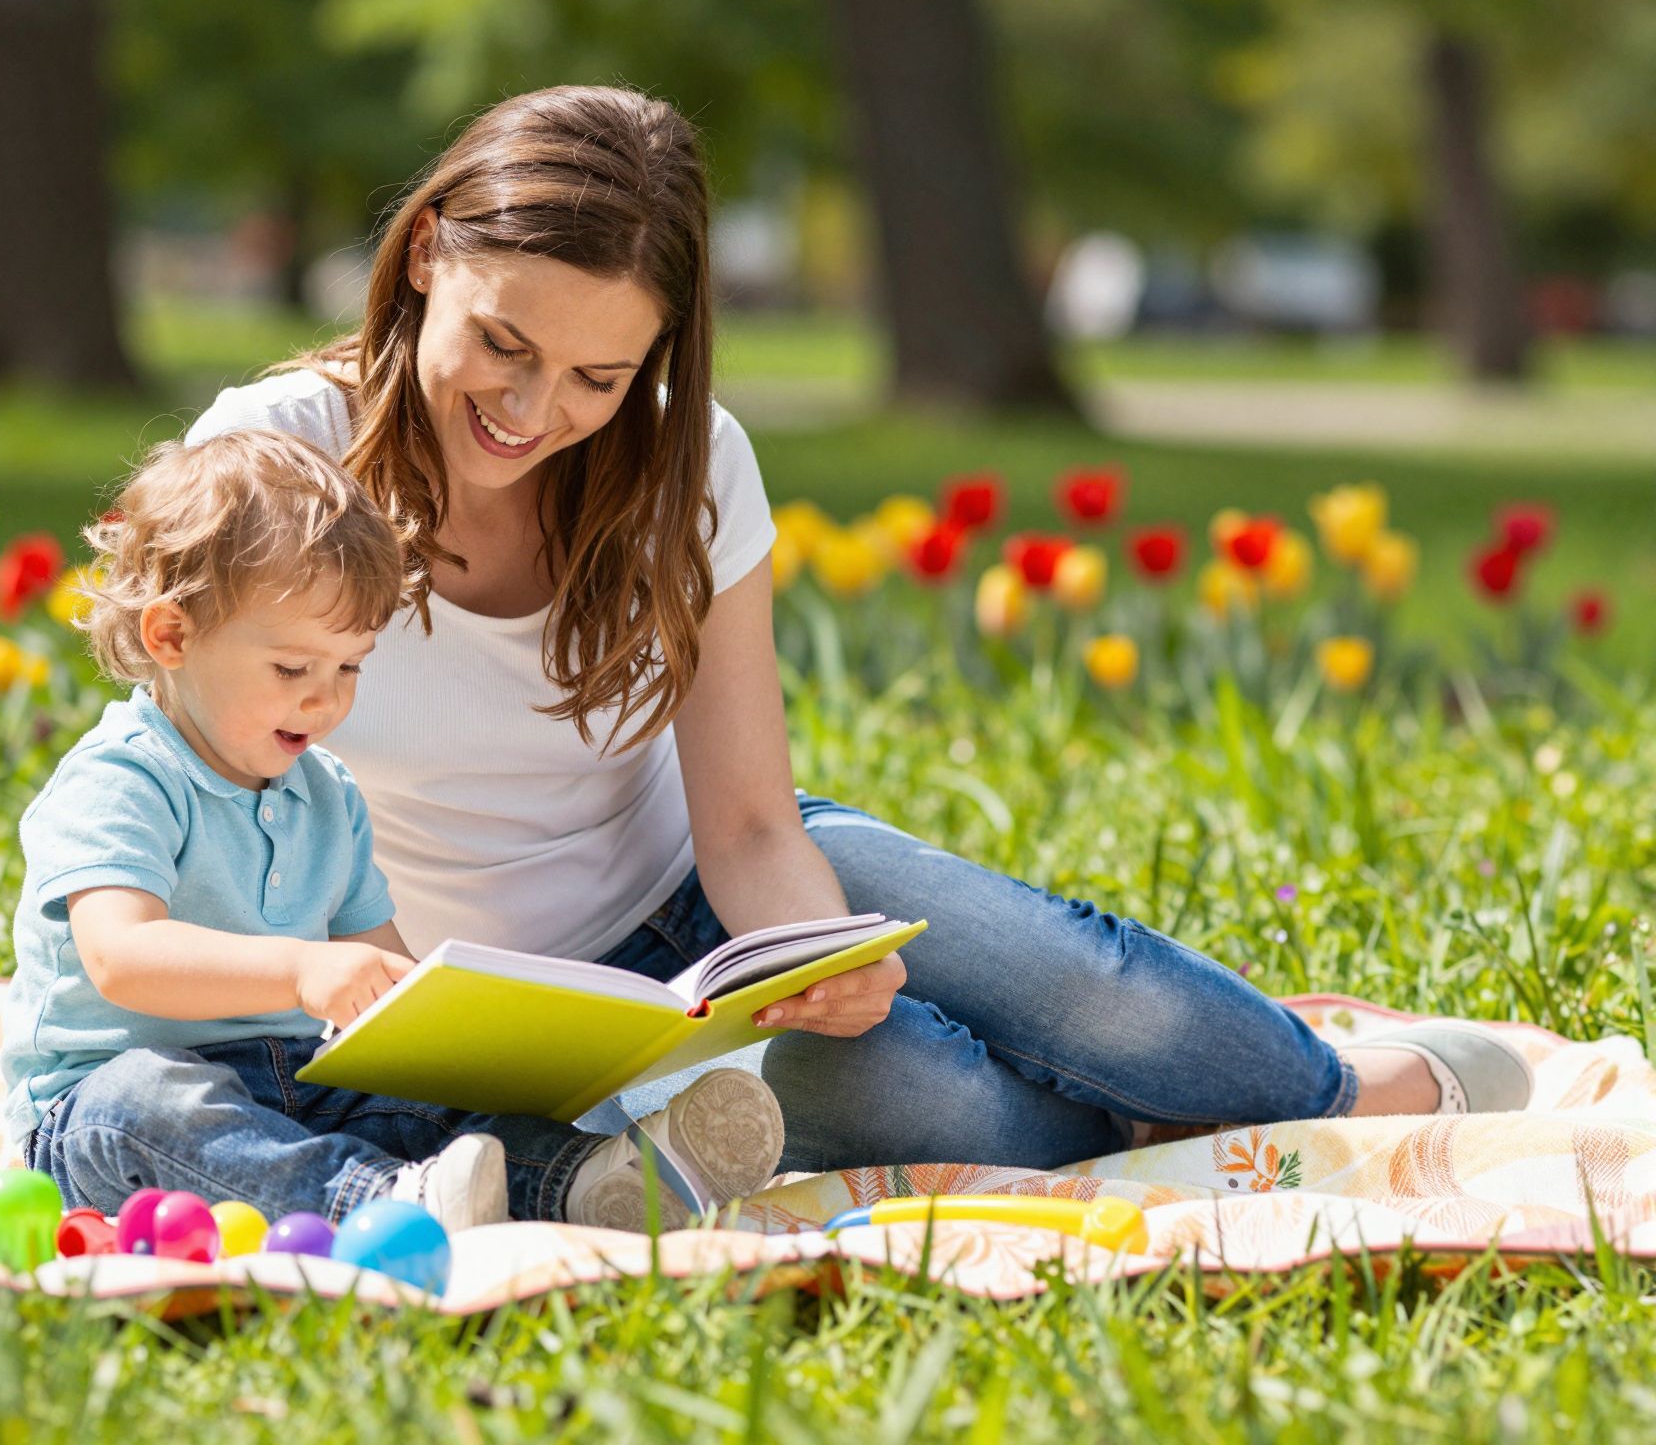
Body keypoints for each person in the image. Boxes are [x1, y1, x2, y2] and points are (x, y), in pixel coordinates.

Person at [187, 84, 1534, 1179]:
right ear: (428, 252)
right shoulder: (270, 461)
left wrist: (816, 962)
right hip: (480, 1009)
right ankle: (1162, 1132)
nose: (535, 411)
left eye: (599, 376)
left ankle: (1341, 1091)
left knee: (1077, 980)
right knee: (928, 1103)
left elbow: (754, 828)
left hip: (703, 918)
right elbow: (201, 805)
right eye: (503, 344)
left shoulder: (685, 462)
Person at [0, 427, 787, 1232]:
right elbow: (121, 958)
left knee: (420, 1101)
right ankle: (382, 1203)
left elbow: (388, 973)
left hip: (300, 1082)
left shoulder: (325, 794)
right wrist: (302, 971)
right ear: (171, 636)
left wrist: (476, 1037)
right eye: (292, 669)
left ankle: (588, 1180)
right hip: (99, 1116)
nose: (326, 700)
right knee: (149, 1101)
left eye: (349, 667)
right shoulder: (125, 777)